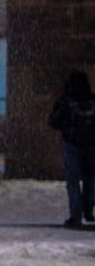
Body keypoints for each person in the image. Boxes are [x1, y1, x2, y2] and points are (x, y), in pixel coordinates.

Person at [47, 70, 95, 228]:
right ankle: (88, 210)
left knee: (73, 181)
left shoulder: (66, 102)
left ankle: (76, 215)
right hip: (91, 145)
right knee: (90, 179)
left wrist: (67, 129)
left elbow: (53, 121)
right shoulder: (92, 101)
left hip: (72, 144)